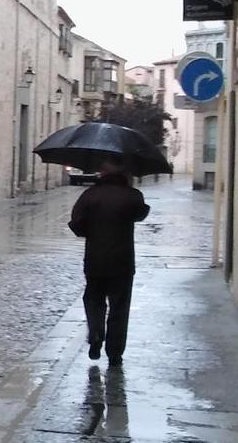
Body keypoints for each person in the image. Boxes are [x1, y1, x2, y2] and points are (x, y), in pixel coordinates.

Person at [68, 156, 150, 366]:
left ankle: (96, 332)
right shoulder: (132, 196)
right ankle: (114, 352)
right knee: (119, 307)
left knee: (93, 299)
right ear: (123, 171)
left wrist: (91, 230)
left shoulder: (89, 196)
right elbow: (141, 213)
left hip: (95, 259)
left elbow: (76, 224)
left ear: (103, 171)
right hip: (123, 261)